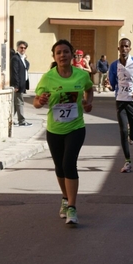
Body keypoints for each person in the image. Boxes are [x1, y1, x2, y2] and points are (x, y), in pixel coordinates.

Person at [33, 39, 93, 224]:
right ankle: (65, 199)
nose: (62, 55)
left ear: (72, 55)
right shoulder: (48, 77)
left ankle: (72, 208)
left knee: (69, 163)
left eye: (65, 52)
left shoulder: (81, 75)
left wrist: (88, 102)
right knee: (59, 167)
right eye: (58, 52)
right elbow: (36, 102)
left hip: (75, 128)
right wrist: (40, 101)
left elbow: (89, 89)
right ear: (54, 56)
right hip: (54, 129)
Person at [105, 38, 133, 173]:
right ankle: (127, 161)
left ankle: (132, 132)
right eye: (122, 46)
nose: (124, 49)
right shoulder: (114, 65)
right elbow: (113, 86)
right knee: (123, 131)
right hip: (120, 101)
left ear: (130, 48)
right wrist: (108, 86)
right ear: (118, 49)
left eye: (126, 46)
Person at [10, 40, 32, 127]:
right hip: (17, 84)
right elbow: (15, 72)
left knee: (16, 104)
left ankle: (11, 119)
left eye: (24, 48)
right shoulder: (15, 58)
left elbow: (27, 66)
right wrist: (16, 85)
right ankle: (22, 121)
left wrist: (25, 58)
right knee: (20, 102)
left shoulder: (22, 59)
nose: (23, 49)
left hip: (23, 84)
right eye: (21, 47)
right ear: (17, 48)